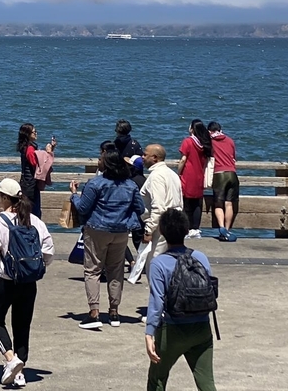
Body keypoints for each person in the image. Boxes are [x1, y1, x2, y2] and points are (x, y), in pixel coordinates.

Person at [0, 178, 54, 388]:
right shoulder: (34, 220)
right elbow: (48, 251)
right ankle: (20, 372)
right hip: (28, 281)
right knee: (22, 325)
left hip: (5, 280)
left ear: (6, 198)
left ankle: (10, 359)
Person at [70, 142, 146, 329]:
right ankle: (114, 312)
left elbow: (82, 208)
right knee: (116, 271)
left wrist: (74, 195)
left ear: (107, 164)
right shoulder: (129, 185)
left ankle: (94, 312)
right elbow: (141, 208)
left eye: (100, 159)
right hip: (121, 232)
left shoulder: (95, 183)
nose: (98, 161)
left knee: (93, 270)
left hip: (97, 230)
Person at [145, 208, 216, 391]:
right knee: (206, 383)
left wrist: (149, 332)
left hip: (173, 329)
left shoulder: (159, 263)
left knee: (157, 379)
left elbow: (157, 302)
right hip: (202, 327)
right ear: (186, 231)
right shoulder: (201, 258)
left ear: (162, 231)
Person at [140, 144, 184, 275]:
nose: (142, 157)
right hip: (177, 224)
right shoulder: (172, 174)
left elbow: (158, 207)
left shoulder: (156, 176)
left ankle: (159, 294)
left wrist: (148, 230)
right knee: (172, 264)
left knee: (155, 265)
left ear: (155, 158)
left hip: (161, 226)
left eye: (145, 155)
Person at [177, 120, 213, 238]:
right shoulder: (204, 143)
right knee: (197, 203)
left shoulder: (188, 141)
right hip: (199, 176)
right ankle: (195, 229)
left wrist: (178, 173)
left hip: (188, 175)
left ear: (192, 129)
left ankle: (186, 229)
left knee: (186, 203)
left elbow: (183, 159)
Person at [17, 123, 56, 219]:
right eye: (34, 132)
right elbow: (39, 165)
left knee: (27, 211)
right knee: (33, 213)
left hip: (26, 183)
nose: (36, 134)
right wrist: (48, 152)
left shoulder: (26, 147)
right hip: (31, 186)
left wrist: (50, 149)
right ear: (28, 134)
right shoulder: (30, 149)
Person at [207, 122, 238, 242]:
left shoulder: (210, 141)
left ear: (209, 131)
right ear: (220, 129)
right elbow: (233, 156)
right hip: (232, 174)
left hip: (219, 174)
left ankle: (221, 228)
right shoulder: (230, 140)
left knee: (218, 203)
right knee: (229, 203)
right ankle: (228, 230)